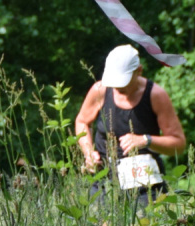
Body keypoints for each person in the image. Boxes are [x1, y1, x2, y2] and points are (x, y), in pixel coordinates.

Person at [73, 43, 186, 207]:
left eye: (123, 82)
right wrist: (88, 152)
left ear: (139, 71)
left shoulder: (156, 95)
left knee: (145, 221)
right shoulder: (100, 90)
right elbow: (82, 121)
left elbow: (179, 144)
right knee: (100, 221)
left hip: (145, 183)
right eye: (115, 82)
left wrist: (146, 140)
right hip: (105, 179)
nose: (118, 87)